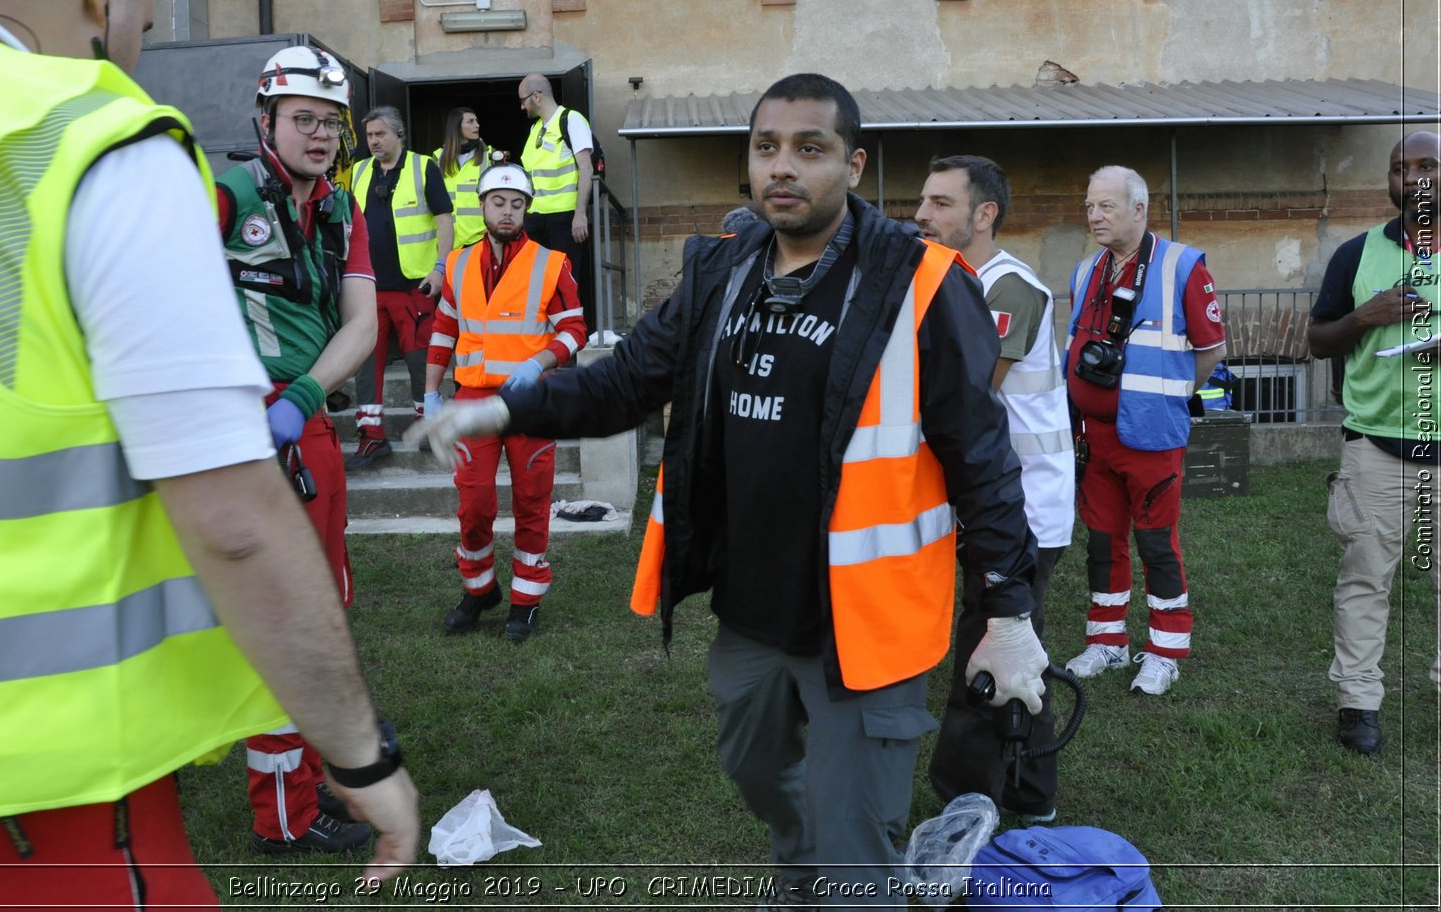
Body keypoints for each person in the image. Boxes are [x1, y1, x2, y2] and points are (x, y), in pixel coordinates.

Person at [0, 0, 417, 906]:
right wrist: (359, 752)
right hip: (36, 795)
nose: (135, 48)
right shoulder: (89, 141)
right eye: (142, 19)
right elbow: (233, 517)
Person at [415, 73, 1047, 908]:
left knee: (857, 850)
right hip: (751, 612)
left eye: (809, 149)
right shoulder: (723, 269)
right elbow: (629, 380)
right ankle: (804, 871)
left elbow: (983, 457)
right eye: (766, 148)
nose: (783, 167)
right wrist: (503, 405)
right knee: (754, 772)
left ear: (853, 166)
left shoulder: (921, 282)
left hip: (866, 622)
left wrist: (1008, 611)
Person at [216, 46, 381, 854]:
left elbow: (363, 322)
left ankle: (310, 778)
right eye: (304, 119)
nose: (320, 134)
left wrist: (306, 397)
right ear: (266, 120)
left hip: (304, 424)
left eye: (330, 121)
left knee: (322, 606)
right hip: (244, 429)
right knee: (282, 617)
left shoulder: (343, 209)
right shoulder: (224, 192)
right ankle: (281, 812)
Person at [915, 155, 1073, 823]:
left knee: (989, 651)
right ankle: (1030, 796)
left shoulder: (1007, 287)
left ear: (984, 214)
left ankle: (962, 800)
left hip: (1024, 513)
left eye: (941, 203)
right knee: (1008, 649)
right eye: (923, 201)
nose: (922, 214)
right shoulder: (954, 281)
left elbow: (972, 398)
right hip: (999, 507)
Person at [1062, 165, 1226, 696]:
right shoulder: (1087, 269)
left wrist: (1170, 395)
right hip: (1094, 436)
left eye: (1106, 206)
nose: (1094, 215)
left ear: (1139, 209)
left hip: (1152, 436)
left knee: (1157, 543)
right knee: (1102, 542)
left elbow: (1211, 352)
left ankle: (1165, 649)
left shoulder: (1183, 265)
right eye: (1090, 206)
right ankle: (1107, 641)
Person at [1308, 129, 1441, 755]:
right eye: (1400, 168)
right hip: (1376, 447)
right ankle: (1357, 701)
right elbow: (1317, 340)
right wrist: (1367, 316)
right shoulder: (1356, 255)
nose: (1413, 178)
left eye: (1428, 166)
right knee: (1366, 578)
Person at [425, 162, 587, 641]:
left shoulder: (552, 263)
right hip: (472, 398)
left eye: (517, 204)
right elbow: (444, 330)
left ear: (526, 210)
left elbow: (575, 329)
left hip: (532, 398)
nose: (508, 211)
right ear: (482, 205)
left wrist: (539, 363)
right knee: (473, 503)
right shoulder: (456, 263)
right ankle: (479, 590)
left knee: (532, 502)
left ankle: (525, 601)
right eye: (499, 201)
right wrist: (431, 392)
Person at [345, 106, 453, 468]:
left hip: (414, 286)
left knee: (420, 358)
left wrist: (440, 269)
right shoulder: (359, 171)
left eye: (380, 134)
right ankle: (372, 435)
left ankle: (428, 425)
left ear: (398, 134)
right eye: (369, 135)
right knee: (365, 361)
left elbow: (444, 222)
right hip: (369, 287)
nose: (373, 141)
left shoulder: (424, 167)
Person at [517, 74, 593, 294]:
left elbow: (585, 168)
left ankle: (569, 328)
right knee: (536, 283)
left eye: (523, 100)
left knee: (565, 282)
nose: (522, 107)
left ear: (537, 97)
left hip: (564, 218)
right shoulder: (534, 130)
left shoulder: (571, 120)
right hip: (535, 220)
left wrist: (580, 214)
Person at [434, 106, 495, 248]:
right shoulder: (437, 158)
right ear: (456, 127)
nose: (477, 125)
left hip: (480, 238)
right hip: (447, 239)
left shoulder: (490, 156)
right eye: (470, 122)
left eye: (476, 121)